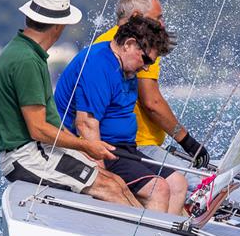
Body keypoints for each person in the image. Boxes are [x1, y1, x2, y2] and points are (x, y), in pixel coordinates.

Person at [0, 0, 140, 208]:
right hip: (27, 156)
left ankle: (151, 230)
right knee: (110, 188)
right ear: (59, 26)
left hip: (39, 150)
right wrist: (86, 146)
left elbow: (50, 123)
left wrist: (81, 148)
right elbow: (38, 129)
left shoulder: (25, 52)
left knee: (115, 182)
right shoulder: (26, 60)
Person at [54, 15, 181, 214]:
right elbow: (86, 124)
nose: (146, 67)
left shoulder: (126, 65)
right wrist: (103, 178)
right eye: (145, 59)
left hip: (124, 149)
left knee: (177, 183)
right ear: (129, 44)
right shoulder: (98, 63)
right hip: (98, 148)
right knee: (159, 189)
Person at [95, 0, 210, 190]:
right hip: (137, 144)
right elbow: (152, 103)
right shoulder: (137, 47)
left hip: (128, 143)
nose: (163, 24)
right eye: (158, 18)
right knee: (197, 185)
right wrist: (187, 142)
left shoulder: (106, 40)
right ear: (137, 17)